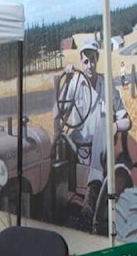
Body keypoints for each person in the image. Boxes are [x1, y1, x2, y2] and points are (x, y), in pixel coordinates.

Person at [56, 39, 132, 226]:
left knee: (103, 123)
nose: (89, 65)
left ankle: (93, 187)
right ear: (81, 62)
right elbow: (59, 112)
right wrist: (65, 80)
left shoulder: (107, 85)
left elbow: (127, 120)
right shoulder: (75, 82)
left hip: (102, 148)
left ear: (97, 59)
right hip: (79, 146)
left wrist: (113, 126)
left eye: (92, 60)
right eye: (85, 61)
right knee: (60, 142)